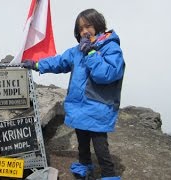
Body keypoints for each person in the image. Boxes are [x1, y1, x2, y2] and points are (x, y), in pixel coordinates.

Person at [22, 8, 124, 180]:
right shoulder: (77, 50)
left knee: (100, 145)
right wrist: (37, 64)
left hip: (98, 107)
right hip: (79, 106)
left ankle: (108, 174)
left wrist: (91, 53)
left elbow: (106, 74)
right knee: (82, 141)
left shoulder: (111, 47)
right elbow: (59, 61)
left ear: (98, 24)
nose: (84, 31)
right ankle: (85, 165)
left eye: (88, 26)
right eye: (80, 28)